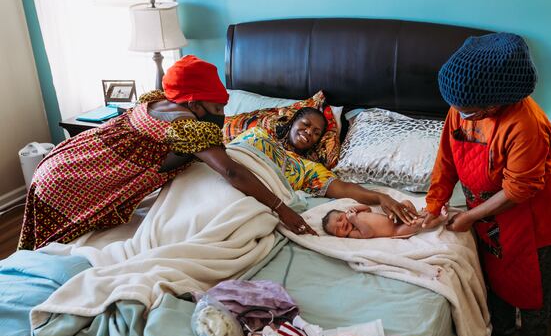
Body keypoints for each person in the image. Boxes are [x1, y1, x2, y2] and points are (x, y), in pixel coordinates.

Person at [18, 55, 315, 250]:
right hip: (74, 178)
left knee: (42, 245)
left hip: (64, 159)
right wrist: (282, 209)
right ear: (194, 105)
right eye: (216, 109)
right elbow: (231, 171)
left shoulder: (159, 100)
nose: (222, 115)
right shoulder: (185, 127)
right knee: (49, 247)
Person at [421, 33, 551, 336]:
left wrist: (471, 217)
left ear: (493, 103)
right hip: (489, 215)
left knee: (533, 297)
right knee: (497, 280)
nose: (458, 114)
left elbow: (519, 190)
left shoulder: (526, 124)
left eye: (467, 111)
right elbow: (446, 160)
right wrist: (434, 205)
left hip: (532, 219)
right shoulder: (461, 107)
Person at [230, 108, 420, 229]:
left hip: (252, 198)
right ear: (293, 122)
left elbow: (344, 189)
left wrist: (381, 197)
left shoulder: (309, 169)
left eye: (316, 133)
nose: (308, 133)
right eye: (305, 125)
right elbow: (230, 155)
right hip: (226, 176)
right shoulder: (257, 133)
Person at [322, 203, 448, 239]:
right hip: (395, 230)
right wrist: (354, 220)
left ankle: (418, 214)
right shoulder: (353, 232)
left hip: (393, 218)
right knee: (418, 224)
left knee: (405, 203)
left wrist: (355, 209)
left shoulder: (355, 214)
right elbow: (368, 233)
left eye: (339, 219)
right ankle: (440, 219)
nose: (341, 225)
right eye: (336, 230)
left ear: (344, 213)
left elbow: (368, 209)